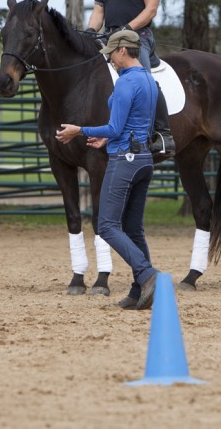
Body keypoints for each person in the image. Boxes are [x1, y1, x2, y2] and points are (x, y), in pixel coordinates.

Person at [55, 30, 159, 310]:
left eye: (112, 53)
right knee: (133, 229)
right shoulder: (148, 80)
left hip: (124, 160)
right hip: (144, 159)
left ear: (123, 51)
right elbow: (134, 124)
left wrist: (80, 130)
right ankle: (140, 291)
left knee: (106, 225)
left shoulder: (126, 84)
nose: (110, 59)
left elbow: (114, 126)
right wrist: (106, 138)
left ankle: (148, 274)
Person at [85, 0, 175, 156]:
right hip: (110, 39)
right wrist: (90, 31)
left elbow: (151, 10)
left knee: (143, 79)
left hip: (138, 37)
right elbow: (98, 11)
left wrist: (126, 29)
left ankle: (164, 135)